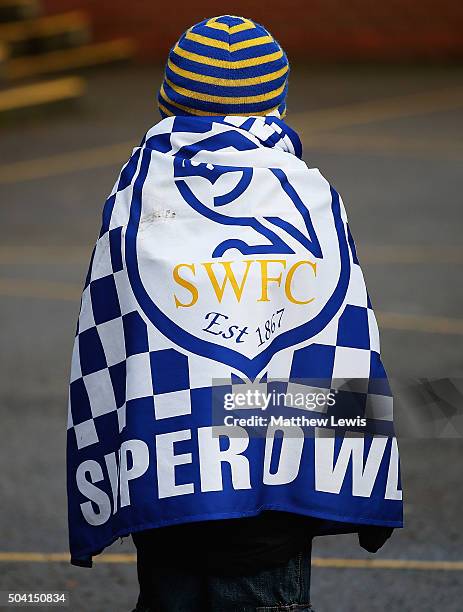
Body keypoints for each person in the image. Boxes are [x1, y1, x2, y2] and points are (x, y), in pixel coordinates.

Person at [66, 15, 402, 612]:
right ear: (278, 101)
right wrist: (358, 473)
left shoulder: (136, 196)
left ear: (168, 100)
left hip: (168, 484)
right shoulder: (310, 197)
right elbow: (343, 341)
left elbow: (113, 349)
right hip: (275, 504)